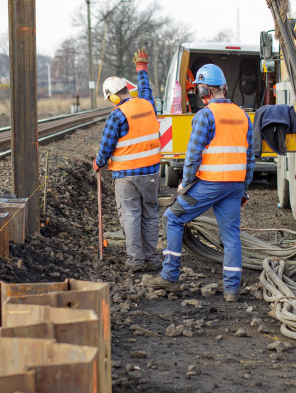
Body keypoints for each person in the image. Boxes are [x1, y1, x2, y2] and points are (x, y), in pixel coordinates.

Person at [142, 64, 255, 301]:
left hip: (210, 184)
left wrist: (185, 183)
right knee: (231, 235)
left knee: (172, 218)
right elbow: (250, 156)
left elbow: (193, 156)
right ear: (224, 87)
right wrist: (244, 188)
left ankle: (170, 276)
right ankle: (232, 290)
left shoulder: (205, 116)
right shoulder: (243, 115)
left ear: (204, 90)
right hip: (234, 186)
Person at [93, 47, 162, 273]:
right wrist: (141, 68)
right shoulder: (147, 104)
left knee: (131, 215)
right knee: (150, 214)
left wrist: (98, 163)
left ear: (113, 96)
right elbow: (146, 88)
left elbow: (106, 146)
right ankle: (152, 260)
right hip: (151, 173)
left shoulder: (117, 115)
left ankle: (135, 261)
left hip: (126, 176)